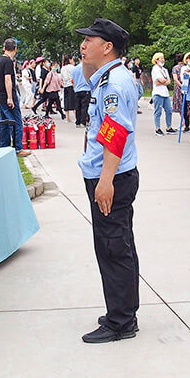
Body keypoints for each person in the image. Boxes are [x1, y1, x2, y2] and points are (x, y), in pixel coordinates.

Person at [76, 19, 141, 344]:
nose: (83, 45)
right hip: (109, 173)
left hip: (111, 177)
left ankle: (121, 322)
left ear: (108, 47)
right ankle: (123, 309)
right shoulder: (108, 77)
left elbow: (115, 133)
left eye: (90, 40)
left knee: (114, 248)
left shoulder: (114, 83)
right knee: (117, 244)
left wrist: (105, 181)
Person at [0, 39, 27, 155]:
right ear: (15, 49)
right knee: (16, 122)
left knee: (4, 122)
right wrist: (10, 97)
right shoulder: (8, 62)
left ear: (4, 48)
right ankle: (18, 147)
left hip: (0, 96)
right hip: (9, 97)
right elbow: (7, 79)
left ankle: (4, 146)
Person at [150, 52, 172, 134]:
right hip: (158, 93)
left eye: (163, 58)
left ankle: (169, 127)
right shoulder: (155, 69)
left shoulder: (165, 70)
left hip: (165, 92)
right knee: (158, 111)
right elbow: (158, 81)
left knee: (169, 110)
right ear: (156, 60)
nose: (163, 60)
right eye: (161, 58)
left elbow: (168, 81)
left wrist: (163, 81)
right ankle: (157, 128)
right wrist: (163, 81)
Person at [60, 56, 76, 124]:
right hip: (72, 86)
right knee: (74, 102)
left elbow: (61, 78)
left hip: (65, 86)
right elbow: (74, 77)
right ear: (70, 59)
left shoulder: (63, 68)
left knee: (66, 101)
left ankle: (67, 118)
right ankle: (76, 118)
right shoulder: (72, 67)